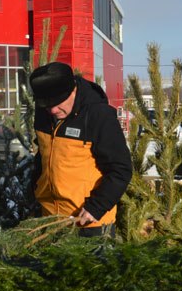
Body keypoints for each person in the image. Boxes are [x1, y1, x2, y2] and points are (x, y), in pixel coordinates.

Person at [29, 62, 132, 237]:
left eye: (58, 102)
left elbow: (121, 169)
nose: (53, 110)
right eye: (47, 104)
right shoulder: (44, 113)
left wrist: (96, 208)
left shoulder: (99, 116)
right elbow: (45, 156)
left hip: (90, 223)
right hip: (50, 220)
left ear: (73, 91)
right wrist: (35, 189)